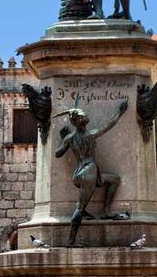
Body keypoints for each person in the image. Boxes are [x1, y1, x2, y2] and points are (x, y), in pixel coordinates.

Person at [54, 101, 128, 244]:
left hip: (80, 172)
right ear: (81, 121)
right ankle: (70, 242)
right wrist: (120, 112)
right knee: (80, 208)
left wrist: (64, 139)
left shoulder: (70, 138)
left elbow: (58, 154)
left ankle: (106, 211)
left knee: (114, 179)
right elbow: (108, 125)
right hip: (89, 171)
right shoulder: (90, 135)